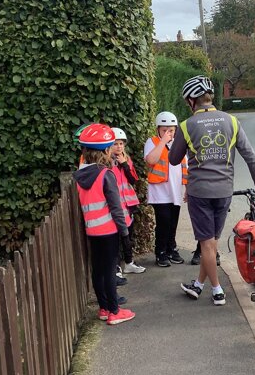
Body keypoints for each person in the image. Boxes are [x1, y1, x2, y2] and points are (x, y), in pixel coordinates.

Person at [169, 75, 255, 305]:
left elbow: (173, 159)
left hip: (199, 193)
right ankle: (198, 285)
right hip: (224, 191)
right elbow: (250, 157)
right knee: (211, 243)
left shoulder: (186, 125)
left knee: (207, 244)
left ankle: (217, 290)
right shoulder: (231, 121)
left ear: (192, 100)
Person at [73, 123, 135, 325]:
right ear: (106, 150)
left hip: (92, 230)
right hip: (109, 230)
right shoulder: (105, 174)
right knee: (109, 270)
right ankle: (115, 311)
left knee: (98, 270)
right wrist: (124, 232)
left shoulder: (79, 176)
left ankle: (103, 308)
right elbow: (116, 207)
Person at [144, 111, 188, 267]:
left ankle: (171, 249)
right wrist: (163, 141)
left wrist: (187, 189)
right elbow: (151, 160)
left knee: (173, 223)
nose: (168, 133)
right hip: (159, 193)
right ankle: (160, 252)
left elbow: (186, 167)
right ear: (158, 129)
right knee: (163, 222)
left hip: (175, 192)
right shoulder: (152, 142)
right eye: (164, 130)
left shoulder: (179, 144)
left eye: (171, 130)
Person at [111, 127, 146, 274]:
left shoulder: (127, 159)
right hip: (115, 203)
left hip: (127, 204)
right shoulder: (106, 161)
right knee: (117, 236)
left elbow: (133, 179)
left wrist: (124, 164)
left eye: (121, 144)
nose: (119, 147)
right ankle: (116, 266)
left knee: (128, 234)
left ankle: (129, 262)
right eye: (115, 144)